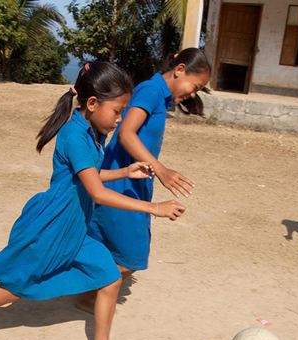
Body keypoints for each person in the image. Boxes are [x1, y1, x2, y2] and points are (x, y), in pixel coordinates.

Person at [0, 62, 186, 340]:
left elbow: (88, 175)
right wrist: (154, 209)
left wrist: (125, 171)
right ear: (93, 104)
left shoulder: (92, 131)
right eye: (117, 111)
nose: (120, 119)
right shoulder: (74, 135)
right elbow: (95, 192)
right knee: (15, 287)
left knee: (110, 277)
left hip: (76, 226)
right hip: (53, 226)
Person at [77, 48, 211, 312]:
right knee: (132, 255)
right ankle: (90, 294)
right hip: (122, 182)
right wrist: (161, 170)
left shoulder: (159, 97)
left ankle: (92, 291)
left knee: (116, 247)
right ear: (180, 70)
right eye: (195, 86)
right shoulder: (151, 90)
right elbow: (126, 133)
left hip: (133, 180)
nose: (193, 93)